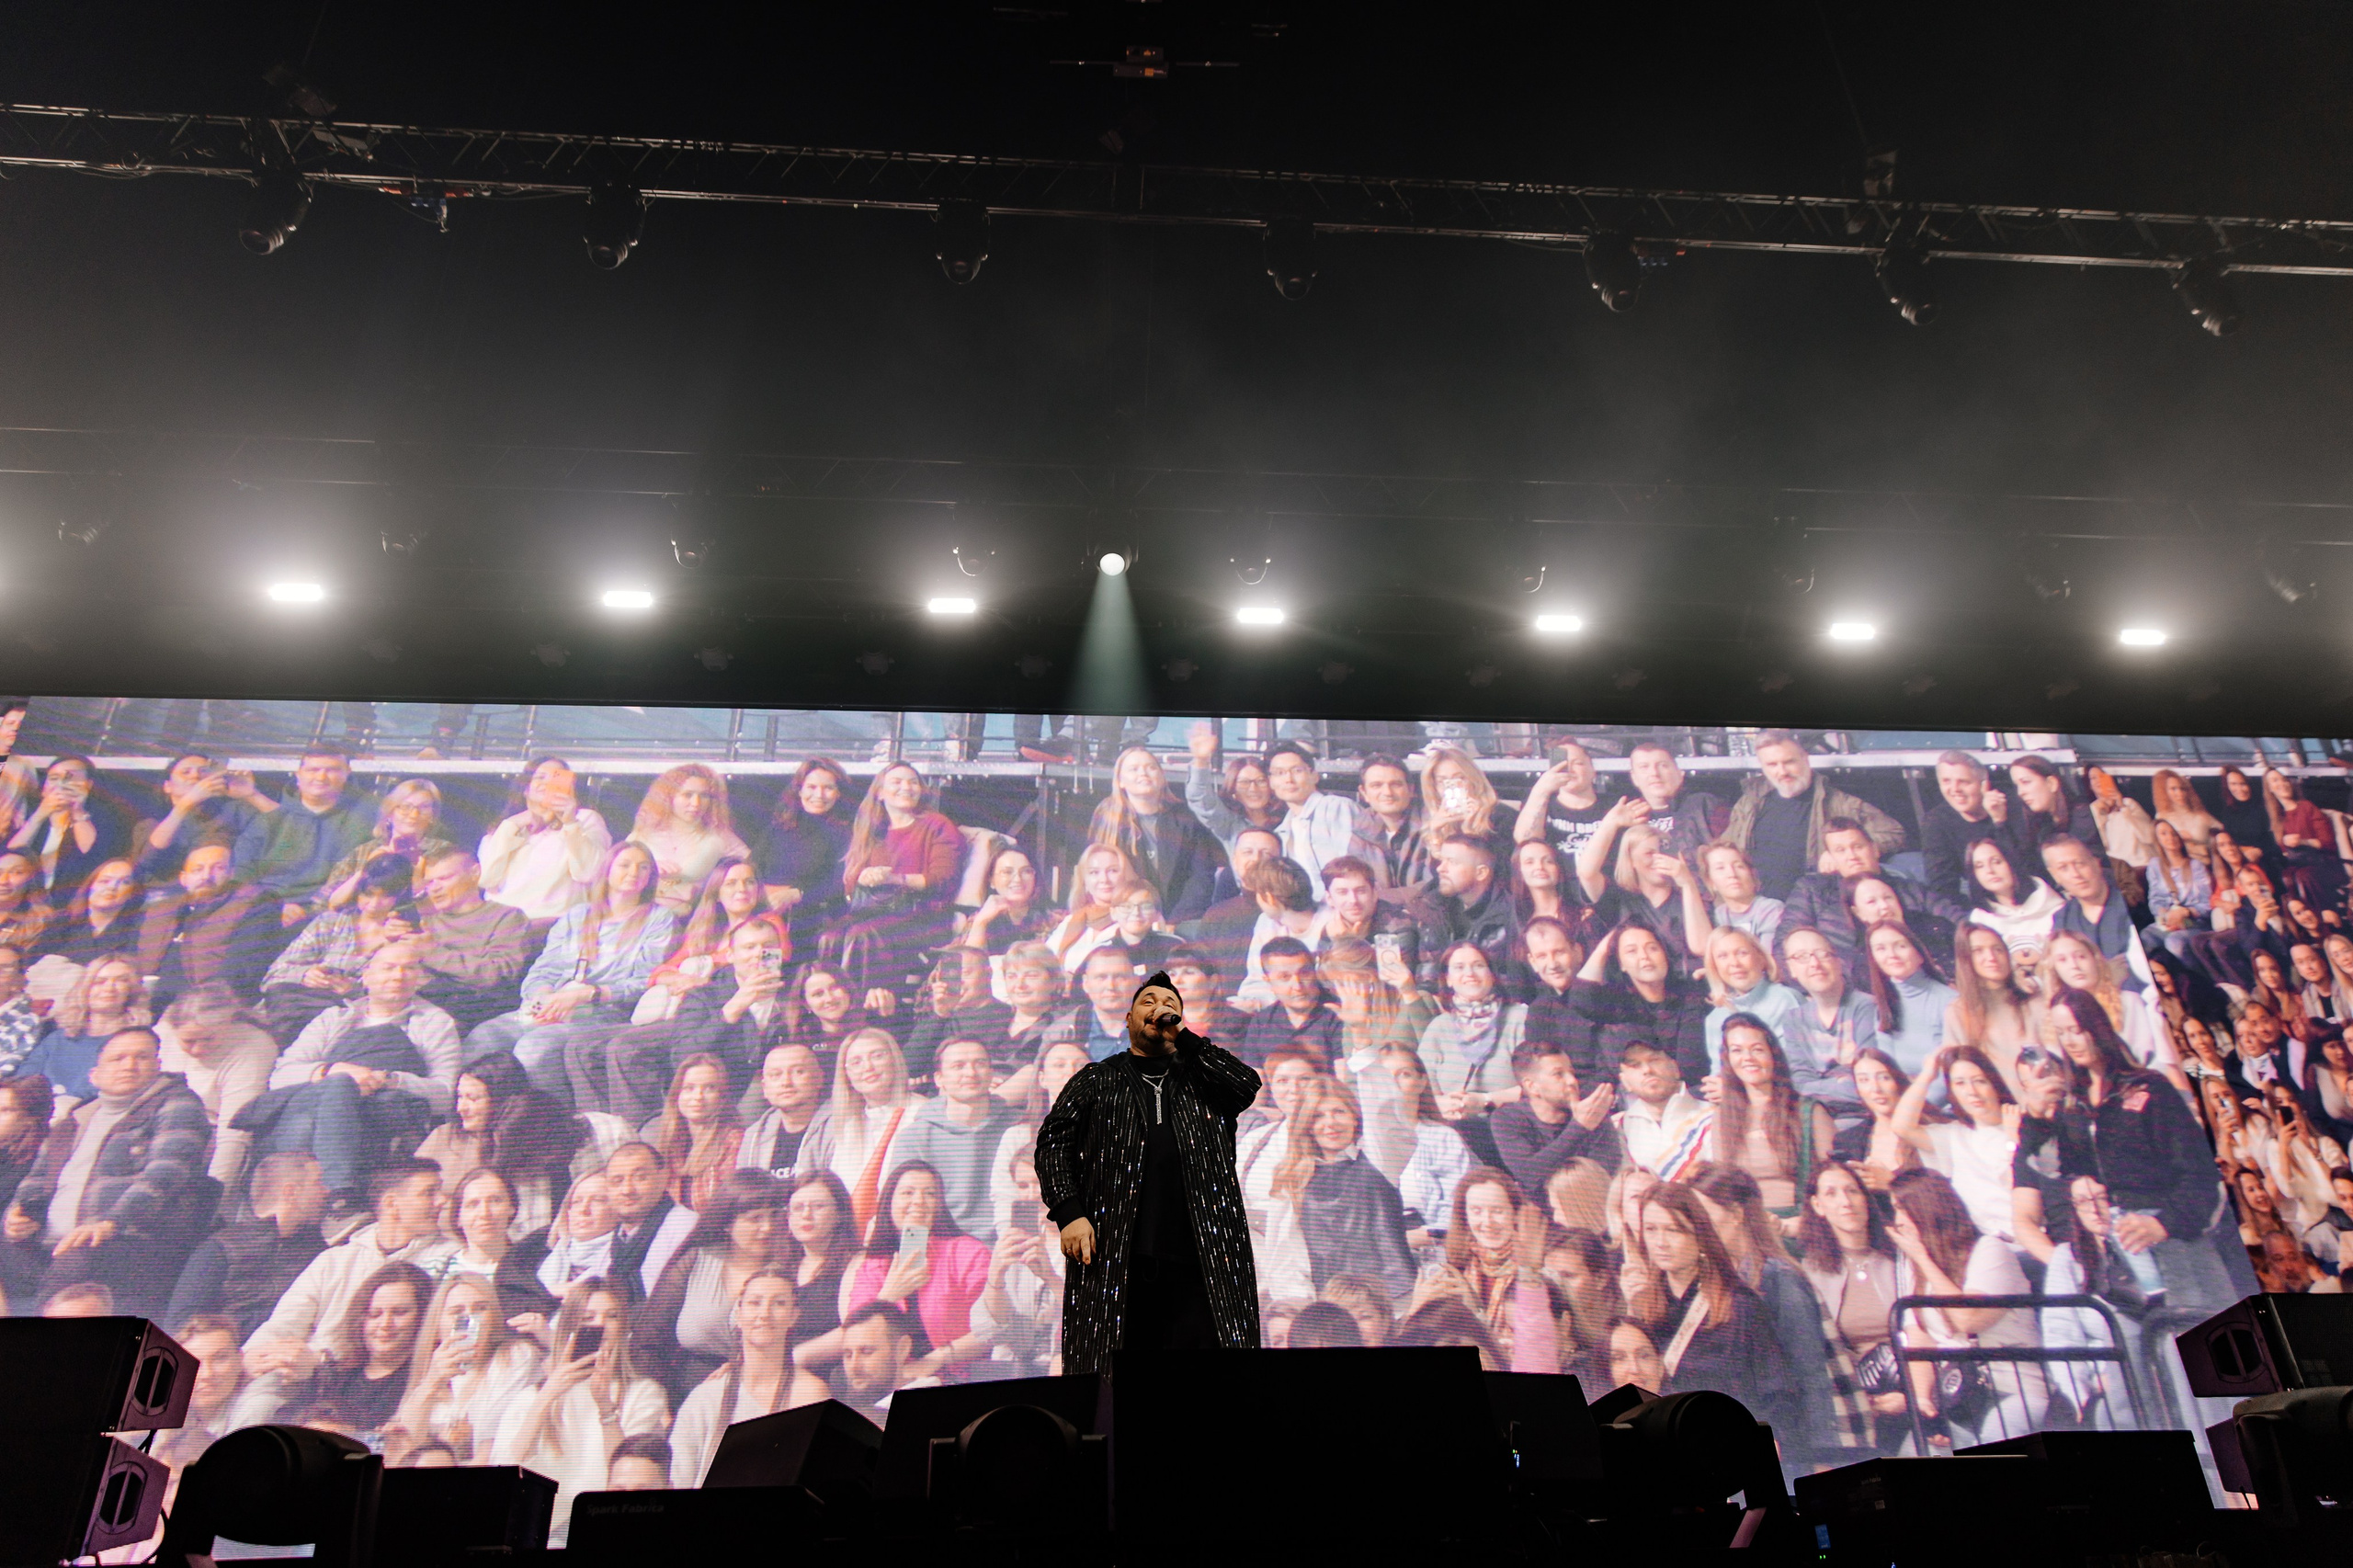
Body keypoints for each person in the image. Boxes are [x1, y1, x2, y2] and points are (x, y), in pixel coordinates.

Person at [1039, 971, 1263, 1369]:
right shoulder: (1096, 1078)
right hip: (1116, 1256)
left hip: (1204, 1260)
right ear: (1127, 1020)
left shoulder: (1206, 1079)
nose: (1160, 1010)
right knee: (1115, 1385)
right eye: (1148, 1002)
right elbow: (1054, 1144)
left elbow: (1246, 1084)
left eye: (1170, 1006)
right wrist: (1069, 1213)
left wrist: (1186, 1039)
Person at [2044, 986, 2238, 1313]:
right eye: (2062, 1033)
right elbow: (2057, 1180)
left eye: (2077, 1030)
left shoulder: (2151, 1088)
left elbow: (2202, 1178)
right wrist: (2077, 1186)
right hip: (2117, 1262)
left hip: (2175, 1244)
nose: (2071, 1042)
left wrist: (2164, 1224)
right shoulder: (2070, 1105)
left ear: (2097, 1028)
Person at [1, 1027, 211, 1316]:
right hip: (53, 1242)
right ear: (95, 1074)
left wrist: (110, 1222)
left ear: (158, 1066)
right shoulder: (75, 1119)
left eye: (142, 1057)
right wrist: (20, 1212)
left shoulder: (178, 1103)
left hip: (130, 1241)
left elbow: (167, 1174)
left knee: (79, 1253)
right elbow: (35, 1180)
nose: (129, 1065)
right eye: (118, 1058)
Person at [228, 1159, 443, 1426]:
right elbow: (284, 1324)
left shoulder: (449, 1257)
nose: (442, 1201)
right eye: (429, 1193)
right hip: (305, 1374)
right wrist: (251, 1357)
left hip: (393, 1376)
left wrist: (322, 1362)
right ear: (391, 1204)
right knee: (259, 1398)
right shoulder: (335, 1259)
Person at [251, 941, 461, 1211]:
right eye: (388, 968)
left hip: (376, 1110)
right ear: (366, 976)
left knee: (306, 1125)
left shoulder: (434, 1023)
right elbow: (281, 1075)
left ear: (419, 979)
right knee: (337, 1088)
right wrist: (332, 1070)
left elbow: (445, 1095)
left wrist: (387, 1079)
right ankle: (338, 1194)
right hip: (316, 1099)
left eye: (409, 969)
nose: (398, 976)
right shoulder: (334, 1018)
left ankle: (285, 1210)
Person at [469, 840, 676, 1103]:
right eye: (625, 865)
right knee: (483, 1037)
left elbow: (644, 981)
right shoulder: (577, 915)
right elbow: (544, 968)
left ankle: (555, 1126)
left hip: (605, 1012)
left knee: (534, 1048)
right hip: (554, 1004)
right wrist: (543, 998)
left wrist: (586, 995)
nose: (634, 872)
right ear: (607, 870)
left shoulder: (657, 918)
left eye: (643, 867)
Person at [490, 1279, 670, 1541]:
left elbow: (626, 1475)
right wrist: (547, 1395)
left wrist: (605, 1407)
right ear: (569, 1326)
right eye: (588, 1317)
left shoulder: (643, 1393)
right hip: (541, 1525)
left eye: (612, 1316)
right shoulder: (531, 1396)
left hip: (603, 1523)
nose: (601, 1325)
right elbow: (507, 1466)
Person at [1886, 1167, 2046, 1445]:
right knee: (1918, 1448)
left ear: (1926, 1209)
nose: (1897, 1221)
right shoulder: (1914, 1267)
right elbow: (1919, 1338)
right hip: (1957, 1396)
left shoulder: (1990, 1250)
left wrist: (1924, 1259)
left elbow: (1967, 1319)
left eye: (1902, 1209)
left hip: (2010, 1389)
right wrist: (1923, 1402)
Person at [1688, 1163, 1837, 1460]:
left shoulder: (1778, 1278)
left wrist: (1823, 1456)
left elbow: (1811, 1374)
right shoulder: (1718, 1280)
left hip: (1792, 1442)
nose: (1695, 1225)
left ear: (1736, 1215)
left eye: (1702, 1214)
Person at [1625, 1183, 1799, 1435]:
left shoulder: (1741, 1305)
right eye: (1651, 1230)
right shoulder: (1642, 1304)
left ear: (1699, 1235)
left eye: (1673, 1230)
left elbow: (1777, 1391)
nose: (1660, 1242)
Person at [633, 1168, 788, 1400]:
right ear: (727, 1222)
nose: (767, 1227)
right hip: (685, 1391)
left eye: (775, 1215)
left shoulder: (792, 1270)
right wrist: (655, 1402)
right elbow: (647, 1343)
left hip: (766, 1391)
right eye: (755, 1218)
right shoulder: (695, 1260)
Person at [841, 1160, 993, 1378]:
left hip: (957, 1376)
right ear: (888, 1203)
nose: (919, 1201)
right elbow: (855, 1337)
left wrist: (936, 1359)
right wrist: (888, 1296)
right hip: (889, 1380)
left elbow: (993, 1328)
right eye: (907, 1193)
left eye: (930, 1194)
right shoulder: (874, 1263)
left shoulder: (967, 1252)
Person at [1268, 1076, 1415, 1301]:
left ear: (1356, 1117)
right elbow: (1285, 1254)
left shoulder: (1381, 1161)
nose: (1330, 1123)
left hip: (1394, 1296)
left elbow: (1388, 1116)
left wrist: (1364, 1054)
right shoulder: (1292, 1178)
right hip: (1332, 1303)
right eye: (1318, 1115)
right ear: (1306, 1124)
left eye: (1339, 1112)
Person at [1796, 1159, 1906, 1456]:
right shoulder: (1809, 1272)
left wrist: (1910, 1394)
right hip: (1856, 1396)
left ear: (1866, 1199)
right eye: (1832, 1194)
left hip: (1914, 1386)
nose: (1845, 1202)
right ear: (1818, 1206)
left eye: (1852, 1191)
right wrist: (1865, 1397)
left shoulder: (1901, 1257)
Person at [835, 761, 964, 1005]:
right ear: (880, 793)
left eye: (913, 782)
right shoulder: (871, 830)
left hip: (924, 918)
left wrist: (894, 878)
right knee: (830, 936)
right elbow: (849, 881)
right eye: (897, 782)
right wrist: (861, 877)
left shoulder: (937, 825)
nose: (907, 787)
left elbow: (943, 879)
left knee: (864, 935)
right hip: (877, 913)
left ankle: (866, 1009)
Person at [1724, 732, 1906, 903]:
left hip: (1818, 905)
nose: (1782, 771)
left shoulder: (1839, 803)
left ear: (1805, 759)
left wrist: (1841, 852)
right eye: (1772, 765)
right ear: (1762, 767)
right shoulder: (1749, 804)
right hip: (1759, 909)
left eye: (1789, 762)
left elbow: (1893, 833)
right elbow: (1725, 848)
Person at [413, 1052, 580, 1236]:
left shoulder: (523, 1145)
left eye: (473, 1099)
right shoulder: (443, 1136)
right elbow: (410, 1193)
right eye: (460, 1097)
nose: (461, 1108)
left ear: (503, 1100)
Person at [164, 1148, 327, 1337]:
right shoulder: (220, 1249)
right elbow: (182, 1325)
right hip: (229, 1359)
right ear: (291, 1192)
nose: (326, 1191)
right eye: (318, 1183)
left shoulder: (320, 1252)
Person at [385, 1271, 545, 1463]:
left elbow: (490, 1442)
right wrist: (431, 1383)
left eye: (480, 1309)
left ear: (494, 1317)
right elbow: (406, 1450)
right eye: (457, 1312)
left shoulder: (515, 1355)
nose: (469, 1319)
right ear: (437, 1324)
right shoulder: (431, 1370)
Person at [260, 852, 415, 1041]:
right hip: (294, 1008)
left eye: (385, 897)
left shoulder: (405, 935)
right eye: (368, 894)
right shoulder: (330, 923)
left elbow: (403, 997)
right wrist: (306, 974)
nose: (374, 904)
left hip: (348, 1023)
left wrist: (353, 990)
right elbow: (274, 974)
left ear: (400, 895)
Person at [1780, 817, 1967, 971]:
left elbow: (1958, 922)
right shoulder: (1812, 890)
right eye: (1841, 850)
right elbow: (1785, 944)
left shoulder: (1911, 890)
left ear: (1875, 849)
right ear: (1832, 858)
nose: (1852, 856)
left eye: (1858, 847)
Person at [882, 1038, 1017, 1242]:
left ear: (991, 1073)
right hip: (942, 1250)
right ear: (939, 1079)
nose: (970, 1073)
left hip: (1010, 1247)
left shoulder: (1019, 1129)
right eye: (958, 1066)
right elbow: (907, 1210)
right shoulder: (916, 1137)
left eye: (980, 1064)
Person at [1711, 1015, 1836, 1220]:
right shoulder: (1722, 1116)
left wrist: (1799, 1225)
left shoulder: (1809, 1112)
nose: (1747, 1058)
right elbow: (1723, 1186)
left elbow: (1834, 1182)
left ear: (1773, 1055)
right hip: (1748, 1227)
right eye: (1737, 1050)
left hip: (1801, 1224)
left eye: (1757, 1049)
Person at [1889, 1044, 2018, 1243]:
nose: (1971, 1092)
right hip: (1987, 1242)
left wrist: (2013, 1139)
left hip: (2026, 1235)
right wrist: (1927, 1076)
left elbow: (2017, 1185)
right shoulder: (1954, 1135)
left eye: (1980, 1081)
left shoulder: (2019, 1124)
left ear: (1994, 1083)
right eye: (1960, 1084)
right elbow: (1902, 1126)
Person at [233, 749, 377, 927]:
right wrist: (272, 907)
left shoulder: (369, 816)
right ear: (298, 775)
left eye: (332, 770)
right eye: (313, 770)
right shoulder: (268, 821)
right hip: (263, 911)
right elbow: (240, 872)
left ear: (347, 773)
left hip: (333, 914)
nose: (322, 777)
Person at [294, 1261, 434, 1437]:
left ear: (425, 1316)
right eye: (374, 1314)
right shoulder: (331, 1375)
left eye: (399, 1313)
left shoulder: (427, 1378)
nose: (385, 1324)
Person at [406, 848, 537, 1034]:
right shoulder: (426, 923)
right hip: (422, 1008)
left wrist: (432, 952)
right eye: (430, 882)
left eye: (445, 878)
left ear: (475, 873)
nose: (435, 888)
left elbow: (497, 975)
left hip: (474, 1011)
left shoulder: (506, 917)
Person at [134, 843, 279, 1008]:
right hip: (148, 1003)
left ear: (231, 874)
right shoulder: (158, 911)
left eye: (218, 868)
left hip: (206, 1007)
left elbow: (242, 970)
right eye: (198, 869)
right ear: (184, 878)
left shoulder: (253, 903)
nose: (206, 876)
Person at [1089, 746, 1222, 923]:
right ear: (1120, 781)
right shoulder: (1107, 816)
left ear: (1161, 777)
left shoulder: (1186, 818)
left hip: (1180, 918)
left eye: (1151, 767)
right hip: (1126, 917)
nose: (1143, 773)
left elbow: (1200, 877)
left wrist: (1175, 922)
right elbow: (1098, 873)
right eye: (1134, 769)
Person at [798, 1027, 913, 1230]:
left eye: (877, 1056)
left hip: (906, 1232)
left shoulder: (922, 1114)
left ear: (895, 1060)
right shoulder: (843, 1125)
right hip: (849, 1238)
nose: (868, 1067)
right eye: (856, 1062)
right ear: (847, 1073)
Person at [1569, 923, 1711, 1085]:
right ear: (1621, 964)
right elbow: (1579, 1000)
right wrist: (1603, 949)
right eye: (1632, 951)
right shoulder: (1618, 1002)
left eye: (1652, 948)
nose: (1644, 956)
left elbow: (1691, 1066)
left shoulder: (1689, 994)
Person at [479, 757, 615, 922]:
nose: (548, 783)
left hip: (554, 922)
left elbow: (589, 873)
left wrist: (570, 823)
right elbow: (487, 880)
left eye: (557, 778)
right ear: (526, 788)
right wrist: (510, 827)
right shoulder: (505, 827)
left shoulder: (585, 819)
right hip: (501, 923)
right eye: (540, 777)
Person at [23, 951, 153, 1109]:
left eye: (121, 981)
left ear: (132, 991)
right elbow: (24, 1079)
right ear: (85, 989)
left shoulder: (137, 1043)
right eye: (99, 981)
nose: (109, 988)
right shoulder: (57, 1038)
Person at [1776, 926, 1874, 1131]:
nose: (1814, 964)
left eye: (1822, 954)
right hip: (1816, 1118)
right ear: (1791, 969)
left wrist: (1816, 1087)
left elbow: (1867, 1084)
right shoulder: (1794, 1019)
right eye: (1801, 957)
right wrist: (1840, 1083)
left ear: (1838, 961)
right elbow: (1798, 1083)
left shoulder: (1866, 1007)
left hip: (1864, 1117)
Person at [1490, 1041, 1620, 1196]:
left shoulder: (1593, 1114)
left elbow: (1602, 1175)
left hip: (1589, 1207)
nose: (1572, 1081)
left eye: (1572, 1073)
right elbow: (1529, 1176)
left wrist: (1581, 1125)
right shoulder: (1508, 1119)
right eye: (1559, 1074)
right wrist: (1579, 1128)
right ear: (1531, 1086)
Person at [1417, 940, 1529, 1116]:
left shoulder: (1519, 1019)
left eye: (1478, 966)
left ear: (1492, 974)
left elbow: (1539, 1087)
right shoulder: (1439, 1027)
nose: (1470, 973)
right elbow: (1420, 1092)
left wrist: (1486, 1101)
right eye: (1459, 967)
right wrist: (1441, 1104)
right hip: (1454, 1130)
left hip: (1511, 1125)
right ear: (1448, 979)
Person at [1380, 1046, 1476, 1244]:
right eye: (1385, 1076)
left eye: (1404, 1074)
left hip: (1430, 1246)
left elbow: (1455, 1211)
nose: (1394, 1083)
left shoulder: (1442, 1138)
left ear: (1422, 1081)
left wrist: (1408, 1240)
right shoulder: (1361, 1142)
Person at [756, 757, 852, 957]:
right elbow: (753, 866)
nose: (819, 795)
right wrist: (764, 893)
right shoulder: (779, 827)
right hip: (769, 914)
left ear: (838, 793)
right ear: (799, 790)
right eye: (812, 787)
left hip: (812, 920)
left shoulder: (846, 832)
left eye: (828, 788)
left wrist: (796, 894)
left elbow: (841, 881)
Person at [313, 778, 454, 913]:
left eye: (424, 807)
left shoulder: (445, 853)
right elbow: (323, 904)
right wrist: (365, 871)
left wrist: (418, 880)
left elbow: (455, 904)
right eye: (405, 807)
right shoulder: (364, 851)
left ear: (433, 815)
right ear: (390, 813)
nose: (414, 814)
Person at [631, 765, 751, 915]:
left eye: (705, 796)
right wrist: (648, 866)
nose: (696, 803)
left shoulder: (719, 836)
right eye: (687, 795)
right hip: (637, 918)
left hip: (685, 921)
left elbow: (753, 872)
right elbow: (613, 871)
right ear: (668, 796)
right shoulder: (644, 833)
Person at [131, 753, 265, 881]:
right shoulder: (152, 825)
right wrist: (187, 802)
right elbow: (148, 859)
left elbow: (281, 828)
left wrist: (252, 794)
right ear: (168, 786)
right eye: (186, 772)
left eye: (203, 771)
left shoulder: (233, 812)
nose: (195, 776)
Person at [1944, 926, 2046, 1092]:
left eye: (1997, 949)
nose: (1991, 957)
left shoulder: (2034, 1002)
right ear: (1965, 959)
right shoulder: (1957, 1012)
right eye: (1978, 951)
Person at [9, 755, 129, 897]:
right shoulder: (27, 817)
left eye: (70, 778)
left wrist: (77, 811)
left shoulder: (104, 819)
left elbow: (93, 856)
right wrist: (40, 815)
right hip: (26, 902)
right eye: (54, 778)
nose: (61, 784)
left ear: (88, 785)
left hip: (73, 904)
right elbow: (11, 857)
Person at [1961, 837, 2067, 982]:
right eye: (1979, 866)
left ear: (2012, 863)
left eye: (1996, 862)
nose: (1990, 871)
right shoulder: (1979, 921)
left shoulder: (2055, 907)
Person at [1260, 742, 1356, 899]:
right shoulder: (1282, 831)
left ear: (1314, 775)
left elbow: (1352, 867)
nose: (1288, 779)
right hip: (1307, 911)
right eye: (1279, 773)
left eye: (1297, 771)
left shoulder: (1335, 808)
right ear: (1271, 782)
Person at [602, 1142, 699, 1299]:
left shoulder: (684, 1225)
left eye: (640, 1178)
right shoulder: (615, 1235)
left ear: (664, 1177)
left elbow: (664, 1298)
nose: (627, 1190)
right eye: (617, 1181)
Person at [2042, 835, 2145, 981]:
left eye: (2080, 863)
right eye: (2063, 868)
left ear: (2096, 863)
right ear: (2055, 875)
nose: (2075, 874)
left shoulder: (2127, 904)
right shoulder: (2062, 920)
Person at [1513, 740, 1617, 884]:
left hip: (1606, 889)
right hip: (1559, 890)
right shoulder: (1541, 804)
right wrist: (1542, 790)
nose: (1569, 769)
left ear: (1593, 770)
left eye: (1578, 763)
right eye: (1562, 763)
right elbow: (1525, 841)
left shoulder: (1614, 806)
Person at [1859, 921, 1956, 1075]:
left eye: (1901, 946)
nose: (1892, 955)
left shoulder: (1950, 1002)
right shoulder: (1885, 1005)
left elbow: (1952, 1073)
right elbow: (1888, 1069)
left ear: (1920, 953)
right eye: (1881, 949)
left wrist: (1913, 1098)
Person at [648, 1053, 743, 1212]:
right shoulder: (669, 1142)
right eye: (689, 1088)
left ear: (722, 1097)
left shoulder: (734, 1140)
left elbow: (726, 1207)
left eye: (709, 1088)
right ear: (677, 1094)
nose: (698, 1097)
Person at [1699, 925, 1802, 1069]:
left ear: (1760, 958)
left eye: (1742, 953)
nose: (1734, 963)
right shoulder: (1715, 1019)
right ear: (1714, 966)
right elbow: (1719, 1072)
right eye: (1723, 956)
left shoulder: (1786, 1000)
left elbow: (1797, 1065)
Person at [1241, 934, 1344, 1071]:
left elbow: (1344, 1085)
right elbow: (1257, 1085)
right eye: (1285, 977)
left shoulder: (1336, 1014)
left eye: (1305, 973)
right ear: (1268, 981)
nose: (1297, 986)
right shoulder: (1261, 1022)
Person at [1184, 723, 1286, 859]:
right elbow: (1199, 797)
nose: (1253, 789)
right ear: (1233, 791)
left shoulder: (1288, 819)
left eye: (1260, 781)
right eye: (1245, 782)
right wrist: (1201, 760)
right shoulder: (1229, 825)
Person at [1615, 1040, 1713, 1181]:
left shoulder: (1713, 1116)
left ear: (1675, 1068)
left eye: (1654, 1060)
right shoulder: (1622, 1127)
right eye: (1635, 1065)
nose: (1647, 1070)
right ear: (1625, 1082)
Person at [831, 1299, 938, 1424]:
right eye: (848, 1355)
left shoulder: (931, 1409)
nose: (854, 1367)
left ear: (902, 1349)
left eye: (866, 1352)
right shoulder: (842, 1413)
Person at [34, 855, 142, 969]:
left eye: (125, 882)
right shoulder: (61, 922)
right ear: (91, 885)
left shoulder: (139, 928)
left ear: (133, 892)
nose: (112, 887)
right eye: (105, 881)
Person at [1921, 751, 2003, 900]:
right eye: (1946, 781)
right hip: (1977, 907)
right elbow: (1941, 885)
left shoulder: (2008, 808)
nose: (1955, 789)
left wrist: (1999, 821)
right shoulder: (1935, 821)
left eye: (1964, 782)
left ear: (1984, 785)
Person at [1345, 752, 1431, 890]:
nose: (1387, 793)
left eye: (1396, 784)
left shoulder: (1432, 823)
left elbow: (1432, 887)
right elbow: (1357, 886)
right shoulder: (1360, 828)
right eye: (1376, 786)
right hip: (1380, 909)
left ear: (1410, 789)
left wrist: (1377, 899)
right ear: (1364, 793)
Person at [739, 1042, 825, 1177]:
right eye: (775, 1075)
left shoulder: (839, 1128)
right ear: (764, 1088)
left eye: (798, 1072)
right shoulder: (753, 1135)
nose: (786, 1082)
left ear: (819, 1078)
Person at [1688, 840, 1785, 957]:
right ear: (1711, 882)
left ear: (1751, 874)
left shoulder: (1770, 909)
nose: (1732, 874)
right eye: (1720, 868)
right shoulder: (1719, 915)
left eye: (1739, 866)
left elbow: (1768, 959)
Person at [959, 843, 1047, 955]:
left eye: (1026, 871)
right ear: (991, 881)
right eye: (1007, 872)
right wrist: (980, 923)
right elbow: (969, 967)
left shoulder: (1054, 920)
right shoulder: (979, 918)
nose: (1018, 879)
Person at [2152, 769, 2226, 861]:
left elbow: (2224, 835)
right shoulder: (2162, 817)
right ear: (2164, 791)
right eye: (2173, 789)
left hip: (2208, 864)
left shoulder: (2202, 816)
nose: (2180, 793)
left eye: (2183, 789)